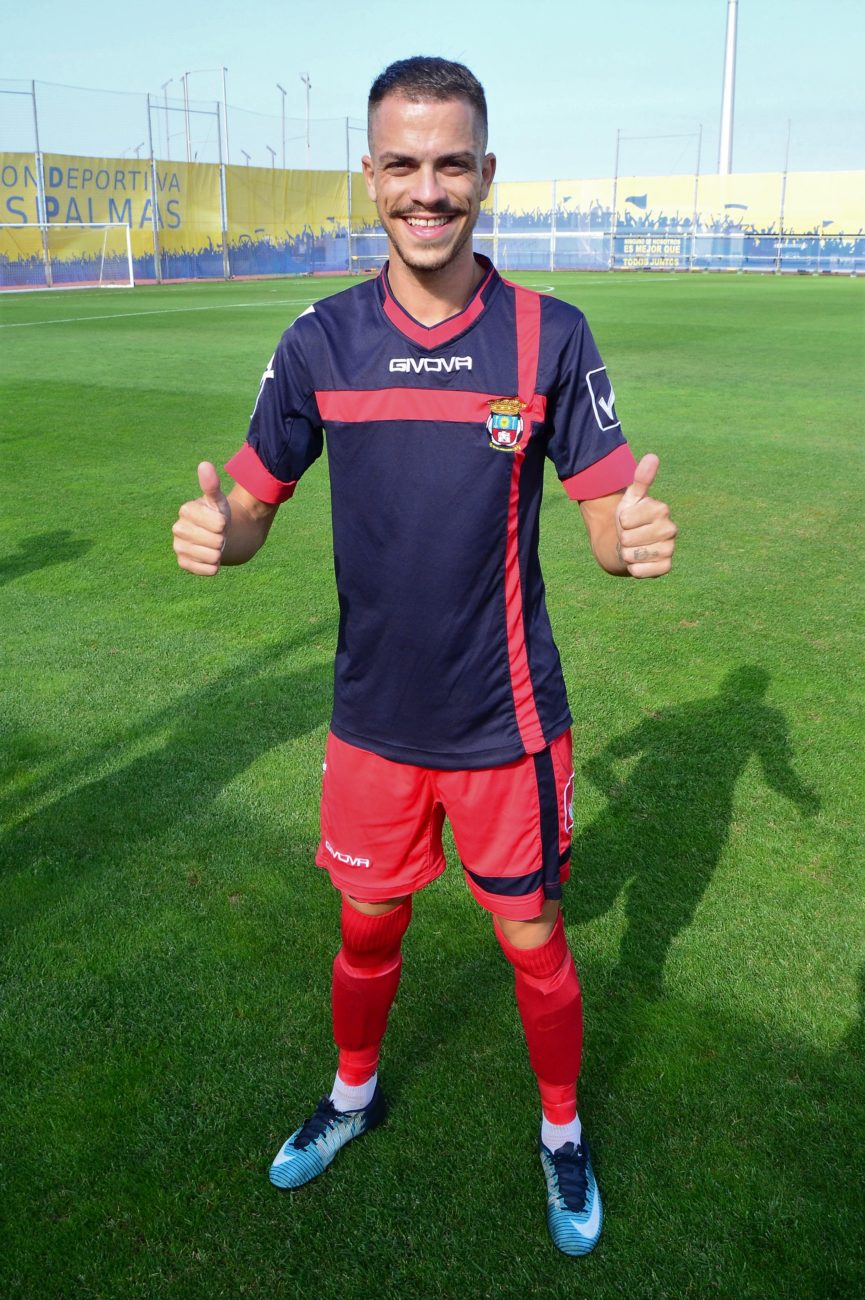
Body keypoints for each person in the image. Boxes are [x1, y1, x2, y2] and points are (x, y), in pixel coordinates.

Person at [172, 56, 677, 1258]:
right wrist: (220, 531)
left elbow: (604, 514)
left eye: (451, 163)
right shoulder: (320, 339)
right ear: (371, 176)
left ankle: (560, 1129)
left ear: (485, 173)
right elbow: (251, 502)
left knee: (531, 938)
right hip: (372, 725)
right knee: (365, 931)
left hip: (507, 722)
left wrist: (628, 540)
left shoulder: (550, 334)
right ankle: (351, 1094)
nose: (428, 189)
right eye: (403, 164)